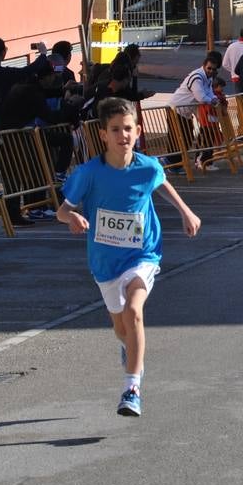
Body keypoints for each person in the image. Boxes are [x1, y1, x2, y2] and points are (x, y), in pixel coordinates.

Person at [57, 96, 201, 418]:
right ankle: (128, 347)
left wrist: (186, 212)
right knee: (121, 328)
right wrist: (74, 218)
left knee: (135, 312)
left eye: (129, 129)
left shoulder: (147, 167)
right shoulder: (89, 173)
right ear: (103, 135)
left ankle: (132, 388)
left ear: (138, 131)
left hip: (143, 254)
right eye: (116, 129)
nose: (123, 135)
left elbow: (162, 182)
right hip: (105, 261)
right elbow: (62, 210)